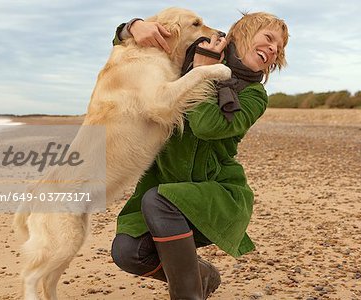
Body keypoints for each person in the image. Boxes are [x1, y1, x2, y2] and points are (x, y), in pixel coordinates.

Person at [110, 11, 289, 300]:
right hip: (164, 183)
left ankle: (188, 295)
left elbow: (208, 127)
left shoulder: (255, 95)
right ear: (241, 34)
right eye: (268, 38)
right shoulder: (194, 52)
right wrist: (132, 27)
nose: (273, 48)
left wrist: (200, 74)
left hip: (216, 192)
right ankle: (201, 274)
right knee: (127, 252)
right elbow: (131, 49)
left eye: (279, 48)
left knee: (159, 200)